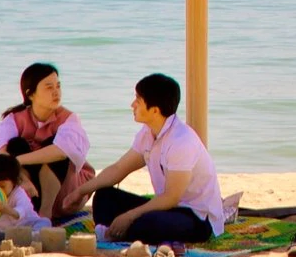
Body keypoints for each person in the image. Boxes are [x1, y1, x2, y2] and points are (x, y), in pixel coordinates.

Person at [80, 73, 224, 246]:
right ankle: (117, 232)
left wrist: (129, 215)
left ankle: (118, 232)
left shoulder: (181, 141)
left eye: (138, 101)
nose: (132, 105)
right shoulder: (148, 133)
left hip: (197, 217)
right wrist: (79, 192)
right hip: (168, 208)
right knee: (104, 195)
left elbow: (171, 197)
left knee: (149, 223)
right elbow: (119, 169)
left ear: (154, 110)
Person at [0, 62, 91, 217]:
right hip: (28, 190)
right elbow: (1, 154)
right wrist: (22, 179)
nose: (56, 92)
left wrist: (17, 162)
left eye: (58, 86)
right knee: (16, 144)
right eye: (49, 87)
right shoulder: (14, 119)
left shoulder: (68, 118)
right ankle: (29, 206)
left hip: (64, 190)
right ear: (30, 94)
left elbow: (60, 152)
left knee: (54, 146)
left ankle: (46, 213)